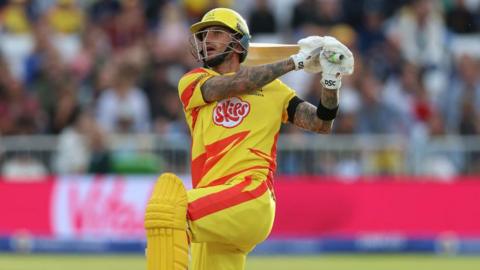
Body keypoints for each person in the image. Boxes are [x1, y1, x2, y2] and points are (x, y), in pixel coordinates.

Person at [144, 7, 354, 270]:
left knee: (167, 211)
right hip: (214, 203)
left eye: (217, 33)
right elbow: (237, 84)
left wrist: (331, 80)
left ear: (238, 42)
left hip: (250, 195)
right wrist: (294, 61)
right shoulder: (194, 81)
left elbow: (322, 122)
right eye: (204, 34)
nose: (207, 39)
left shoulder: (276, 90)